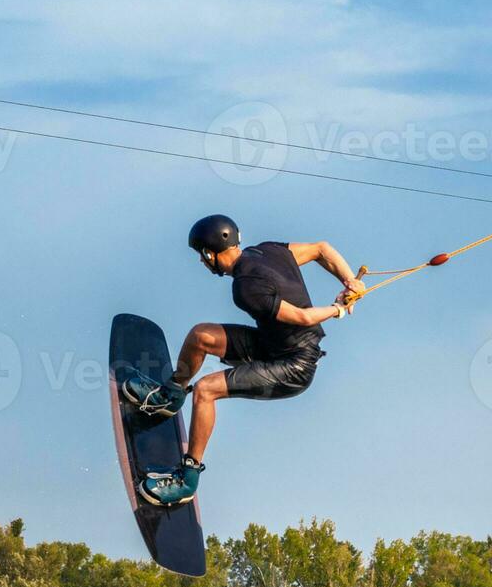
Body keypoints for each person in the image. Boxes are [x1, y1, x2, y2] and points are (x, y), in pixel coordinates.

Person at [119, 214, 365, 507]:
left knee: (206, 390)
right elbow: (322, 248)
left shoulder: (246, 288)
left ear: (210, 254)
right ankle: (170, 396)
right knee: (200, 336)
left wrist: (337, 308)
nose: (201, 262)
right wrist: (350, 281)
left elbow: (302, 317)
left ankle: (187, 480)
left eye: (201, 256)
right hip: (272, 343)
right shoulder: (268, 250)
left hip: (293, 366)